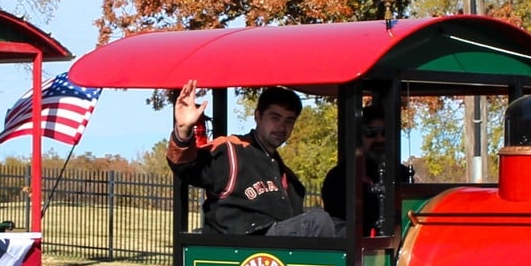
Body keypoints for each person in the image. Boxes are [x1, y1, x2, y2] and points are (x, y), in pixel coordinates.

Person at [167, 82, 336, 238]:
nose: (282, 127)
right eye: (275, 118)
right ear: (258, 116)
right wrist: (183, 131)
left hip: (276, 259)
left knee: (341, 228)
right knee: (318, 221)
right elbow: (187, 167)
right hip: (238, 250)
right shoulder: (231, 151)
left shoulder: (290, 180)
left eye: (289, 121)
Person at [320, 99, 415, 238]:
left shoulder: (403, 174)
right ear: (358, 137)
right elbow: (339, 227)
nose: (379, 139)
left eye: (385, 132)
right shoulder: (339, 178)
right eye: (371, 133)